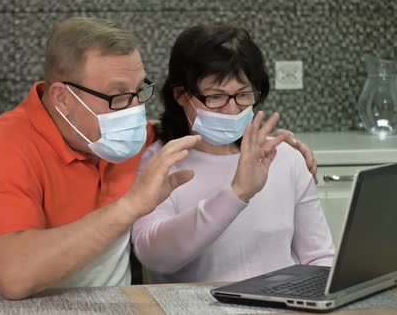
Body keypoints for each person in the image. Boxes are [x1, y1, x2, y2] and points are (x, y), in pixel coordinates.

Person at [0, 17, 318, 300]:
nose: (133, 110)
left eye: (139, 92)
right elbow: (16, 278)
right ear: (62, 99)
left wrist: (278, 146)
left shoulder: (128, 138)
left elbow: (202, 127)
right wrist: (131, 206)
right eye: (118, 96)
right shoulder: (0, 148)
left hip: (107, 304)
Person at [131, 24, 335, 284]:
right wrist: (236, 194)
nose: (232, 110)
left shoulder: (285, 156)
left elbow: (319, 258)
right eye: (216, 97)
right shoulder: (160, 161)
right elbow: (155, 256)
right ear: (182, 95)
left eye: (243, 95)